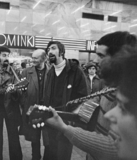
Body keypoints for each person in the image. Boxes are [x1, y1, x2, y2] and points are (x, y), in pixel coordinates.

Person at [35, 31, 137, 160]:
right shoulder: (109, 87)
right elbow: (85, 108)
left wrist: (65, 128)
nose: (94, 61)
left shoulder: (129, 94)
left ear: (120, 58)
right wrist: (54, 116)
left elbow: (115, 146)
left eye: (100, 55)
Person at [42, 41, 88, 160]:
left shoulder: (75, 71)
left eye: (53, 48)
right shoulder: (50, 72)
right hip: (50, 120)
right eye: (48, 50)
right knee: (49, 153)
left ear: (61, 52)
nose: (49, 52)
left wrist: (72, 121)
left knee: (62, 155)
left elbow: (84, 98)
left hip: (66, 123)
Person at [20, 49, 49, 160]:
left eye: (35, 58)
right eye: (32, 57)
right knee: (34, 138)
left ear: (44, 58)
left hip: (47, 110)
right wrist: (25, 103)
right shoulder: (26, 72)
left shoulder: (52, 71)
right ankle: (35, 157)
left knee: (48, 138)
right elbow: (21, 91)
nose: (33, 60)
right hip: (32, 110)